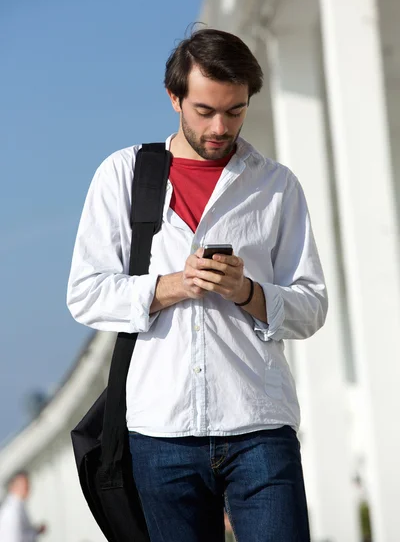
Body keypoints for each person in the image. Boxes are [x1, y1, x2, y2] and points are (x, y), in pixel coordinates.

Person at [67, 27, 328, 542]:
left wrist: (248, 292)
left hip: (258, 423)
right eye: (205, 110)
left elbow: (311, 306)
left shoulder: (276, 185)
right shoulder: (123, 175)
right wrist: (171, 285)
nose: (220, 126)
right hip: (161, 432)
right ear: (174, 98)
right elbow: (86, 293)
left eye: (235, 111)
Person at [0, 471, 46, 542]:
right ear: (14, 486)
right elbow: (15, 538)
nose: (28, 488)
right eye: (25, 485)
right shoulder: (10, 511)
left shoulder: (18, 507)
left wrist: (36, 531)